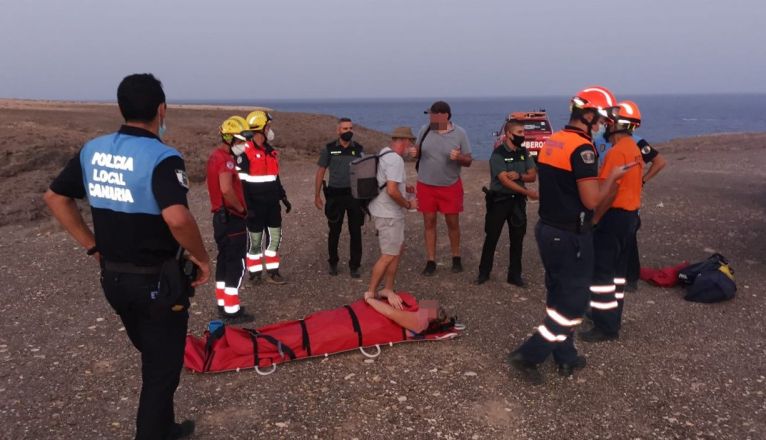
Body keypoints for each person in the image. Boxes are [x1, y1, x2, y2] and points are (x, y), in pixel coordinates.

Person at [44, 73, 207, 439]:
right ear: (161, 110)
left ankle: (165, 427)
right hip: (157, 283)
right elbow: (177, 217)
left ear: (121, 108)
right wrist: (202, 258)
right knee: (161, 371)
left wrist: (93, 246)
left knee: (152, 356)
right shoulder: (163, 157)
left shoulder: (93, 151)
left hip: (114, 279)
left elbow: (55, 197)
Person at [507, 86, 628, 385]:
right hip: (570, 236)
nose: (602, 126)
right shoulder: (583, 150)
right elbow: (591, 201)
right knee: (574, 304)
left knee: (559, 294)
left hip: (547, 230)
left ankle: (566, 357)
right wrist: (611, 179)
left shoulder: (553, 141)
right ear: (587, 115)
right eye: (600, 120)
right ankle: (530, 354)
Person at [579, 101, 645, 342]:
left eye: (610, 121)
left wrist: (594, 220)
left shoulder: (616, 153)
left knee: (602, 275)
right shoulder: (633, 148)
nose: (606, 125)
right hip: (629, 218)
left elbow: (609, 192)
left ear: (619, 124)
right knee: (618, 274)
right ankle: (611, 316)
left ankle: (605, 326)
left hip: (613, 219)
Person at [593, 121, 667, 292]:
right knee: (619, 246)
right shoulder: (606, 143)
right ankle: (618, 284)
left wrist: (643, 180)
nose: (603, 126)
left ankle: (628, 279)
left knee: (622, 246)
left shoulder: (631, 144)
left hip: (619, 204)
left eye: (607, 124)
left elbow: (659, 162)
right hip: (619, 202)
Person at [409, 100, 472, 276]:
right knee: (429, 222)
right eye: (430, 114)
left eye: (434, 114)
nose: (431, 117)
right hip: (425, 184)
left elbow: (468, 160)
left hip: (450, 184)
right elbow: (419, 152)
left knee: (452, 223)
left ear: (445, 115)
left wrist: (459, 157)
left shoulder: (460, 133)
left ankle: (456, 257)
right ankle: (431, 260)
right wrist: (415, 153)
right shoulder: (425, 130)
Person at [476, 119, 538, 286]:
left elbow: (532, 175)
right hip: (499, 201)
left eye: (523, 133)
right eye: (519, 133)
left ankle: (515, 275)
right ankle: (483, 273)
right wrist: (528, 192)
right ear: (509, 134)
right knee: (492, 237)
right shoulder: (498, 154)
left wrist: (520, 176)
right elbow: (504, 181)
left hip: (517, 203)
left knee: (517, 239)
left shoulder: (524, 152)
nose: (522, 136)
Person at [205, 116, 255, 324]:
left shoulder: (215, 156)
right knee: (235, 263)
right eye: (241, 140)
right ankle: (232, 310)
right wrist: (242, 209)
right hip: (232, 219)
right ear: (229, 138)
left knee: (224, 261)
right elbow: (226, 190)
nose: (245, 144)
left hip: (220, 219)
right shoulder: (225, 160)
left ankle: (223, 304)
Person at [363, 127, 419, 306]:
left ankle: (387, 287)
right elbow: (392, 190)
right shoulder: (396, 160)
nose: (411, 148)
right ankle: (370, 293)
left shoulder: (384, 154)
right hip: (389, 214)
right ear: (404, 141)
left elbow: (390, 183)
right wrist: (409, 204)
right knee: (388, 254)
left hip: (383, 210)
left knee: (395, 251)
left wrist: (405, 187)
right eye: (410, 143)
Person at [238, 110, 291, 285]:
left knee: (275, 239)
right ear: (259, 129)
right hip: (255, 206)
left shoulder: (270, 151)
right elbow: (241, 184)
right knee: (255, 242)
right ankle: (254, 274)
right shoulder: (245, 153)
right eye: (268, 127)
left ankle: (273, 272)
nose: (270, 130)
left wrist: (283, 197)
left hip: (272, 204)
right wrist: (248, 207)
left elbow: (275, 178)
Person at [314, 117, 365, 277]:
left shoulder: (358, 149)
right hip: (335, 195)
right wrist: (316, 195)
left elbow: (364, 171)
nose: (348, 131)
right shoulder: (329, 148)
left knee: (355, 231)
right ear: (338, 131)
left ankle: (355, 265)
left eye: (350, 128)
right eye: (345, 129)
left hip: (354, 196)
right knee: (334, 231)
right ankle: (333, 263)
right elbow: (321, 171)